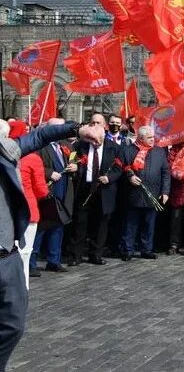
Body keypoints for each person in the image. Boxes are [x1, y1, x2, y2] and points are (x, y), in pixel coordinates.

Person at [0, 117, 103, 371]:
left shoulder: (5, 151)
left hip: (7, 257)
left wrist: (78, 129)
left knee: (13, 324)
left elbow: (39, 136)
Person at [72, 123, 122, 265]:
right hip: (84, 187)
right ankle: (76, 255)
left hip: (103, 189)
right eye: (92, 140)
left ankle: (96, 255)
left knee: (101, 223)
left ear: (103, 137)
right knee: (80, 222)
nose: (94, 143)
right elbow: (72, 158)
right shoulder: (80, 146)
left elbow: (119, 168)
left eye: (97, 140)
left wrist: (109, 177)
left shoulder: (114, 148)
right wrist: (74, 165)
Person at [120, 126, 170, 261]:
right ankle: (128, 249)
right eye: (149, 138)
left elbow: (166, 172)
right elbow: (122, 168)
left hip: (153, 193)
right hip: (134, 193)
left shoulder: (159, 152)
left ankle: (146, 249)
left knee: (149, 224)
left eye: (153, 137)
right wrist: (129, 177)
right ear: (141, 139)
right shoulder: (129, 150)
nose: (153, 140)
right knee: (131, 224)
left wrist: (165, 191)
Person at [36, 118, 78, 271]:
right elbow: (33, 165)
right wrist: (49, 173)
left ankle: (54, 260)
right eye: (58, 128)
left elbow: (75, 160)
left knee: (58, 226)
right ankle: (32, 263)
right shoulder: (40, 145)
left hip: (64, 190)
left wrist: (75, 166)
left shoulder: (66, 145)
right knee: (42, 227)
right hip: (48, 192)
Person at [12, 121, 47, 286]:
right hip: (28, 210)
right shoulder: (32, 158)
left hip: (7, 211)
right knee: (25, 254)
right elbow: (41, 190)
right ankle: (22, 287)